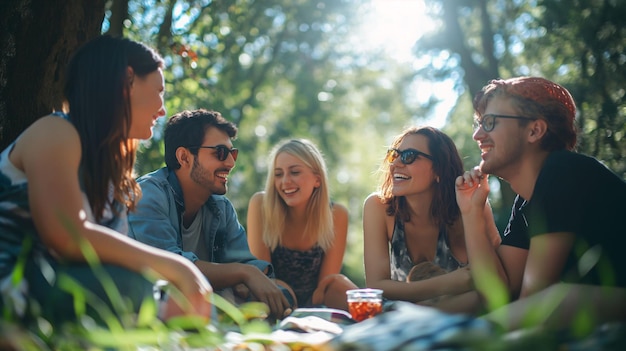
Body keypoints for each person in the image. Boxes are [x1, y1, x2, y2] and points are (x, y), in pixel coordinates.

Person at [0, 36, 212, 326]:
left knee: (170, 297)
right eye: (160, 90)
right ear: (127, 81)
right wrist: (180, 268)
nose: (163, 109)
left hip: (63, 285)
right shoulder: (55, 132)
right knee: (131, 290)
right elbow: (69, 236)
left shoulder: (112, 171)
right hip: (14, 283)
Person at [456, 76, 626, 332]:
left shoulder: (563, 171)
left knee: (555, 302)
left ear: (534, 130)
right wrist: (471, 212)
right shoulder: (525, 203)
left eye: (489, 122)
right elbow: (497, 294)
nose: (478, 135)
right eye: (479, 124)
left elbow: (533, 302)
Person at [128, 109, 293, 319]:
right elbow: (169, 267)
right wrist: (242, 275)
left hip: (205, 309)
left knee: (282, 298)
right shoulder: (148, 195)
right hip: (148, 310)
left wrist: (255, 278)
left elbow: (247, 264)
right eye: (220, 153)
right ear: (184, 157)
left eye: (233, 153)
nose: (231, 163)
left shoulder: (221, 208)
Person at [362, 126, 501, 307]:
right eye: (394, 155)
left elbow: (495, 283)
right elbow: (376, 287)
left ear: (438, 169)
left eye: (408, 156)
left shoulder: (470, 205)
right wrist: (453, 282)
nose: (395, 164)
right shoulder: (378, 206)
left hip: (457, 316)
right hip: (406, 316)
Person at [247, 139, 358, 311]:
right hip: (273, 296)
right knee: (277, 290)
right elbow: (263, 277)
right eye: (278, 174)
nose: (285, 181)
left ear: (317, 179)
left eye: (295, 172)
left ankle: (380, 320)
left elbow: (326, 285)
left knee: (339, 283)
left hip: (317, 299)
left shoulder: (337, 214)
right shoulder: (260, 204)